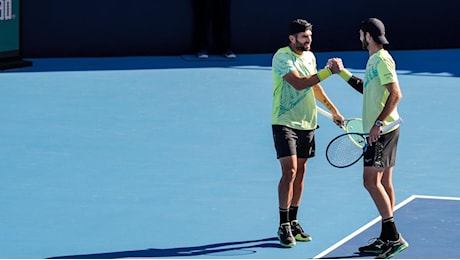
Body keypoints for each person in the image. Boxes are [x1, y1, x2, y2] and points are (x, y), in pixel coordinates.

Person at [335, 18, 409, 259]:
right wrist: (342, 73)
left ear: (367, 35)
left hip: (383, 131)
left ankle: (394, 237)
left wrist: (377, 123)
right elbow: (367, 88)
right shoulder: (374, 60)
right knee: (385, 183)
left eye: (361, 35)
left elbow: (396, 94)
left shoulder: (381, 59)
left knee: (370, 182)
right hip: (387, 129)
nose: (360, 38)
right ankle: (386, 236)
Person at [271, 18, 345, 248]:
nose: (308, 41)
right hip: (285, 121)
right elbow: (299, 83)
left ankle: (294, 220)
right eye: (304, 37)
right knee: (290, 171)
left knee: (301, 173)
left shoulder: (310, 57)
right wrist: (327, 72)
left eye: (310, 37)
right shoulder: (282, 57)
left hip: (308, 123)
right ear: (292, 38)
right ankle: (283, 224)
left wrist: (334, 110)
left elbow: (315, 87)